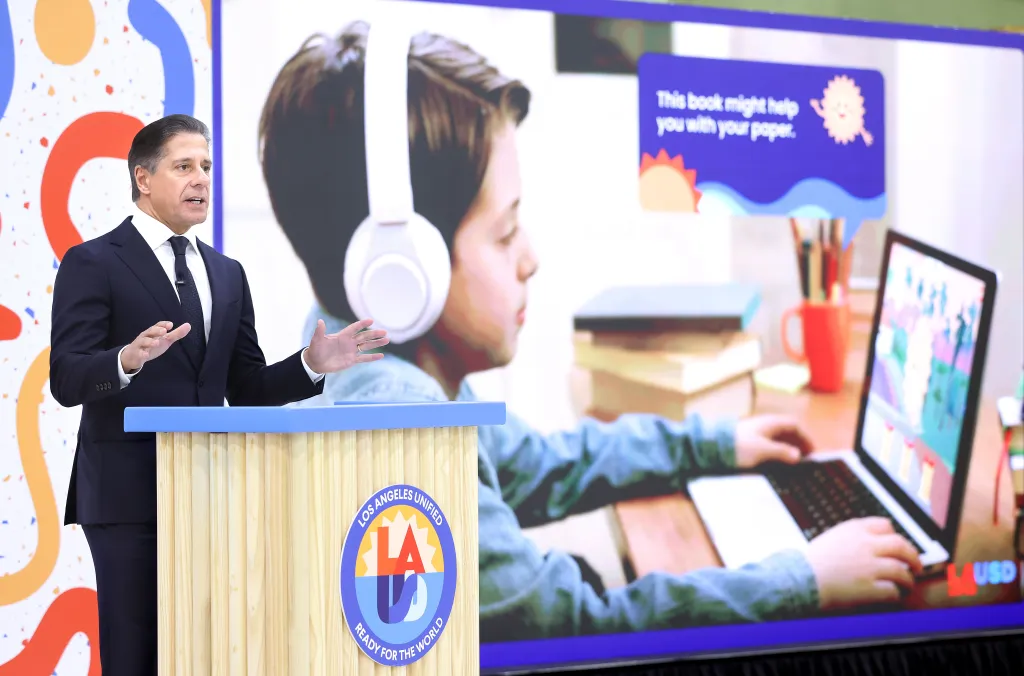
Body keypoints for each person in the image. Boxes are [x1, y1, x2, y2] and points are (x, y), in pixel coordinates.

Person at [258, 23, 922, 641]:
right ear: (398, 271)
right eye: (506, 231)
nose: (531, 257)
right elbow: (582, 629)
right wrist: (802, 582)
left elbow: (539, 467)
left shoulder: (375, 361)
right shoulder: (399, 433)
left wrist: (715, 443)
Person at [49, 114, 389, 674]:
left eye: (205, 167)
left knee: (206, 654)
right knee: (137, 657)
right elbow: (66, 378)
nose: (200, 179)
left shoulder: (226, 273)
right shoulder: (95, 262)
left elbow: (247, 388)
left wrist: (309, 365)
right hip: (127, 497)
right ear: (142, 178)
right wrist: (125, 361)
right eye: (184, 166)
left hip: (210, 492)